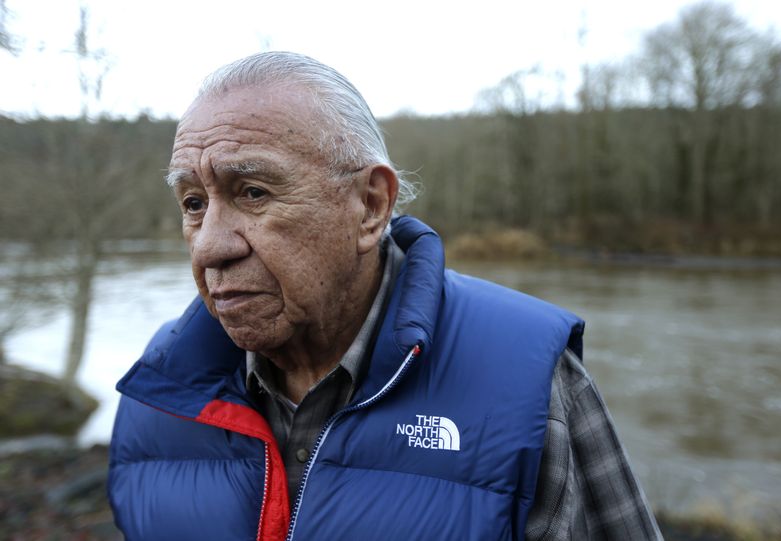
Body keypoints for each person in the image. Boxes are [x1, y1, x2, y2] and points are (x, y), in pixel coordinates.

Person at [108, 51, 662, 541]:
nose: (209, 248)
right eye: (193, 203)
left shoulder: (532, 383)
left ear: (370, 206)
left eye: (253, 192)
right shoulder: (157, 389)